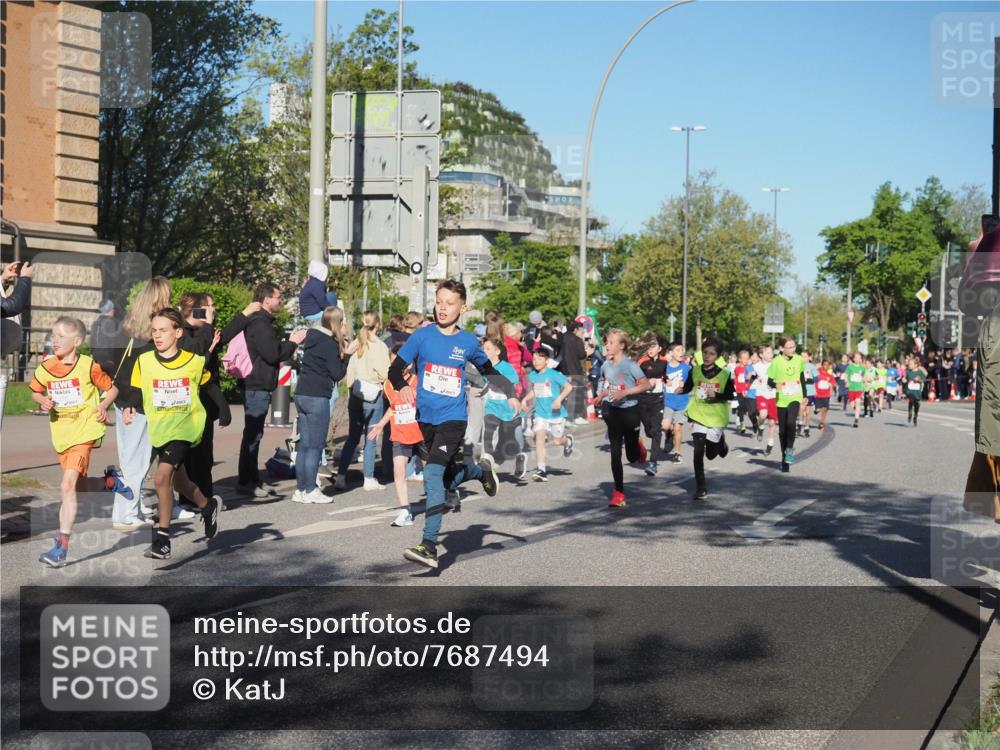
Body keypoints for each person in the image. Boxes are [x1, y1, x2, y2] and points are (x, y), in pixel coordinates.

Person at [390, 279, 518, 570]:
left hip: (453, 419)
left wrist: (511, 392)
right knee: (444, 481)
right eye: (439, 302)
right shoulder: (421, 337)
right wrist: (403, 386)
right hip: (425, 420)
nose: (443, 308)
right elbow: (395, 370)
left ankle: (429, 545)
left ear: (463, 307)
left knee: (432, 475)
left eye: (449, 303)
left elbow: (488, 370)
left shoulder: (468, 342)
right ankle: (478, 471)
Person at [122, 308, 222, 560]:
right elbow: (137, 388)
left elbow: (208, 383)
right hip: (160, 429)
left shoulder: (193, 362)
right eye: (154, 331)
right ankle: (207, 506)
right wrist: (130, 406)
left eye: (163, 330)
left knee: (161, 478)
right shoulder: (144, 361)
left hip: (185, 428)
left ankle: (163, 540)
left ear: (177, 333)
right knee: (180, 483)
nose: (157, 335)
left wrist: (224, 409)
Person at [30, 316, 118, 567]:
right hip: (62, 434)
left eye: (61, 336)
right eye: (53, 335)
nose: (54, 340)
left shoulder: (89, 366)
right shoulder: (46, 367)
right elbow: (35, 390)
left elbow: (112, 389)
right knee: (79, 487)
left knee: (66, 485)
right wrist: (41, 400)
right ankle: (110, 482)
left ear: (77, 341)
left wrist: (103, 405)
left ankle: (61, 548)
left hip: (84, 432)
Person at [223, 283, 306, 497]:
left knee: (255, 433)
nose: (281, 300)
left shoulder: (260, 321)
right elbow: (271, 354)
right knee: (252, 434)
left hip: (256, 383)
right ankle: (246, 482)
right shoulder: (260, 323)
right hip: (256, 383)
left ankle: (253, 479)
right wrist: (292, 343)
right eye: (278, 296)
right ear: (267, 299)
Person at [107, 277, 173, 531]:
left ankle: (129, 509)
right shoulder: (153, 338)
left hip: (123, 398)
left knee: (131, 459)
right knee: (136, 461)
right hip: (138, 402)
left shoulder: (128, 328)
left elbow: (118, 366)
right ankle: (125, 514)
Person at [178, 293, 231, 508]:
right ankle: (197, 499)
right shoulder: (183, 333)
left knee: (202, 454)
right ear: (197, 311)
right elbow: (197, 355)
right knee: (195, 454)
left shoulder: (199, 331)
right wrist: (208, 328)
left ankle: (199, 497)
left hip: (202, 401)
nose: (213, 310)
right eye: (209, 306)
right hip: (190, 402)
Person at [293, 306, 346, 504]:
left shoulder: (312, 338)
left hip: (302, 393)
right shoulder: (329, 344)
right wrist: (347, 356)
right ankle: (310, 489)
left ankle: (300, 489)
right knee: (315, 446)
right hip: (317, 396)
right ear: (337, 323)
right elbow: (337, 373)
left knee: (304, 446)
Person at [335, 311, 390, 491]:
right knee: (371, 437)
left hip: (355, 393)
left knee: (352, 437)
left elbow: (349, 370)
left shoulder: (355, 343)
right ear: (378, 325)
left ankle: (341, 476)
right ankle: (369, 478)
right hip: (373, 394)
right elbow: (385, 372)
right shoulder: (379, 346)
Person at [368, 342, 423, 525]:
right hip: (400, 434)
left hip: (421, 434)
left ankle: (447, 493)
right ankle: (405, 511)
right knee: (399, 471)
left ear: (408, 364)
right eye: (392, 363)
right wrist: (381, 425)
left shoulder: (418, 381)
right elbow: (393, 407)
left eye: (398, 363)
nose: (394, 367)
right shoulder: (388, 385)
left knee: (433, 472)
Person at [597, 329, 651, 508]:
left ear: (621, 346)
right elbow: (612, 385)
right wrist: (602, 394)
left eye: (611, 342)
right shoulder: (606, 365)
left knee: (632, 457)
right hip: (614, 412)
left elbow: (646, 385)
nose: (607, 345)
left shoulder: (630, 365)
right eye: (607, 342)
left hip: (631, 412)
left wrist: (626, 392)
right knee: (615, 453)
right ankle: (618, 493)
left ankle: (638, 444)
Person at [680, 335, 734, 500]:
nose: (707, 356)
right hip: (698, 413)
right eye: (705, 352)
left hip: (716, 417)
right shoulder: (695, 370)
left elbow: (730, 395)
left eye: (711, 353)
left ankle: (721, 443)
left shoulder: (724, 374)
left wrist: (716, 394)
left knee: (711, 454)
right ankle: (701, 487)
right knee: (698, 452)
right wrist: (680, 390)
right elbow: (688, 386)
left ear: (717, 356)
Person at [524, 344, 574, 482]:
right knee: (539, 439)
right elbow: (535, 390)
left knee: (557, 441)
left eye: (539, 359)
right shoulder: (533, 375)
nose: (536, 361)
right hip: (540, 414)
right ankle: (541, 470)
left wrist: (559, 399)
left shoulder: (554, 374)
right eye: (534, 359)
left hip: (556, 414)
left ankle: (567, 441)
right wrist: (525, 399)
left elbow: (568, 387)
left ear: (547, 360)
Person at [479, 337, 526, 479]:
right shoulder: (483, 367)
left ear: (497, 352)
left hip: (508, 407)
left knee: (514, 437)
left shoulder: (506, 367)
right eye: (483, 348)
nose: (484, 351)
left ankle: (520, 457)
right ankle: (487, 458)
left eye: (488, 349)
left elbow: (514, 381)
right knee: (488, 428)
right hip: (492, 405)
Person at [767, 336, 806, 472]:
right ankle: (784, 457)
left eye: (794, 346)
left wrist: (805, 395)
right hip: (782, 399)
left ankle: (789, 451)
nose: (792, 349)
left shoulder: (799, 359)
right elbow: (769, 381)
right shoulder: (776, 361)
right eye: (789, 347)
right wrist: (775, 385)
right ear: (781, 348)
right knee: (783, 430)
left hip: (795, 396)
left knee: (791, 423)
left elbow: (802, 378)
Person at [635, 332, 667, 475]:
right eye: (649, 346)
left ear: (659, 348)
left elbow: (669, 377)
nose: (650, 349)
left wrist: (668, 381)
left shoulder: (665, 362)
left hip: (658, 400)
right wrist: (648, 382)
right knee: (649, 431)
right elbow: (635, 380)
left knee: (656, 431)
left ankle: (653, 463)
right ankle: (655, 433)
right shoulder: (642, 362)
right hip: (643, 399)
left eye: (653, 346)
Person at [662, 341, 691, 463]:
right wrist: (665, 381)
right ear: (671, 352)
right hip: (667, 402)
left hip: (681, 403)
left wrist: (685, 384)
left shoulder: (687, 368)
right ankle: (669, 435)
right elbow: (659, 379)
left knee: (678, 428)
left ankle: (677, 453)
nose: (681, 352)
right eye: (678, 350)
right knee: (665, 426)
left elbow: (693, 382)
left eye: (682, 350)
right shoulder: (664, 367)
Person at [750, 344, 778, 455]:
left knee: (772, 422)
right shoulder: (756, 366)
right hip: (761, 394)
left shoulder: (775, 365)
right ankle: (761, 426)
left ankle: (770, 444)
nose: (771, 354)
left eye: (771, 352)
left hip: (773, 395)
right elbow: (752, 377)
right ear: (761, 355)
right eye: (768, 352)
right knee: (762, 414)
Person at [559, 320, 588, 424]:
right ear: (575, 329)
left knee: (564, 394)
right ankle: (574, 417)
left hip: (562, 370)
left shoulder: (560, 338)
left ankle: (564, 417)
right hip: (575, 370)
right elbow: (582, 355)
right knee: (576, 394)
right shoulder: (577, 339)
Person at [904, 355, 927, 426]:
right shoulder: (908, 372)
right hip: (910, 391)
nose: (909, 365)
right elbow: (905, 379)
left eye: (911, 364)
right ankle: (910, 413)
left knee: (917, 404)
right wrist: (904, 380)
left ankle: (915, 416)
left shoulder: (920, 372)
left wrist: (919, 380)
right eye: (909, 364)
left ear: (916, 365)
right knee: (911, 399)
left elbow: (924, 379)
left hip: (917, 391)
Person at [844, 352, 866, 428]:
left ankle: (856, 419)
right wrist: (846, 382)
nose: (858, 359)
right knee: (852, 404)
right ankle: (857, 410)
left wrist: (864, 382)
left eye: (859, 358)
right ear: (853, 359)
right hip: (851, 388)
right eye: (856, 358)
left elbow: (863, 376)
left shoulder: (862, 368)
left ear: (861, 359)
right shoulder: (850, 367)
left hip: (858, 388)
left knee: (858, 402)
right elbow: (846, 375)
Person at [800, 350, 818, 438]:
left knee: (808, 411)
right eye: (801, 356)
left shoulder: (811, 366)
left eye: (805, 356)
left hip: (810, 390)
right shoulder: (798, 365)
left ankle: (807, 427)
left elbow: (816, 378)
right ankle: (800, 422)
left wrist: (809, 380)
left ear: (809, 357)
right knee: (801, 407)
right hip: (799, 390)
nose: (803, 358)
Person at [813, 359, 836, 431]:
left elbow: (833, 383)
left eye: (827, 365)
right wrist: (814, 390)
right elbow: (813, 381)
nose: (826, 366)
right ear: (822, 365)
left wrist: (832, 386)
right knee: (818, 409)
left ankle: (822, 423)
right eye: (825, 365)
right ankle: (816, 410)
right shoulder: (817, 372)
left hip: (826, 395)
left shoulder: (829, 375)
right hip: (818, 395)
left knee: (825, 409)